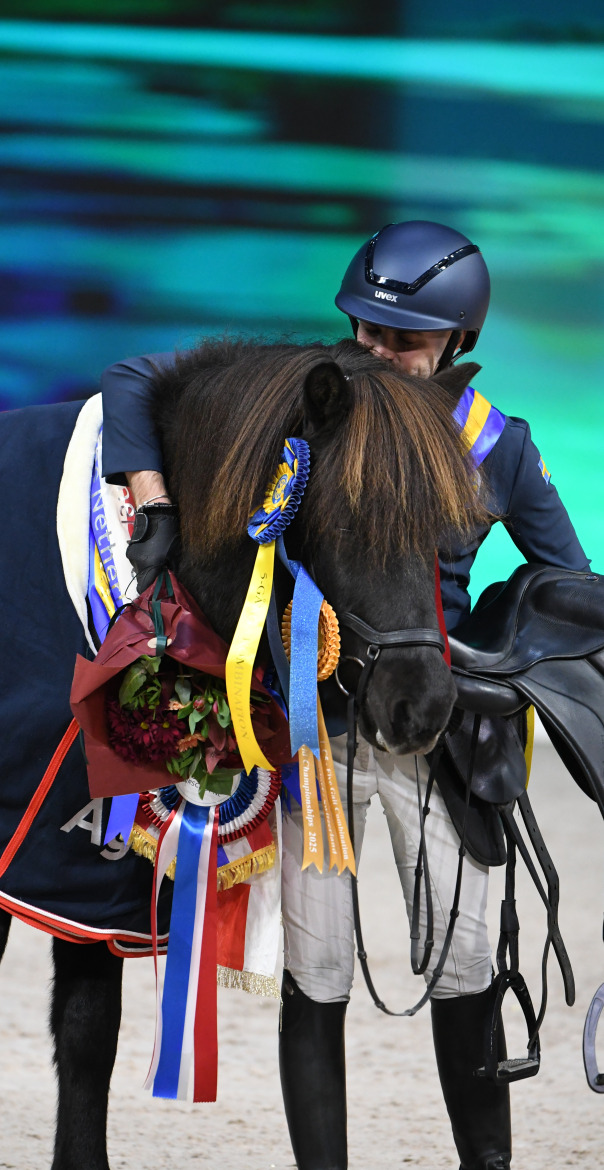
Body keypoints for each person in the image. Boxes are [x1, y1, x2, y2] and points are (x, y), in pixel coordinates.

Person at [100, 220, 590, 1170]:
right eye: (366, 331)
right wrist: (154, 502)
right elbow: (133, 377)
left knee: (464, 963)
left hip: (442, 738)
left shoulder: (498, 446)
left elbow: (566, 582)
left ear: (458, 342)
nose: (378, 352)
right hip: (317, 732)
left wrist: (490, 663)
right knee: (316, 971)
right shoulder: (314, 409)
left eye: (404, 341)